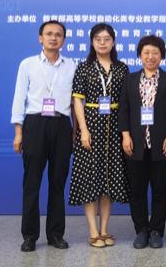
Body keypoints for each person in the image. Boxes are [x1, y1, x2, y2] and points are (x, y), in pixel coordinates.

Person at [11, 20, 76, 252]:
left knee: (58, 183)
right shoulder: (27, 64)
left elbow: (75, 102)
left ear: (63, 40)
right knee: (32, 183)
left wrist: (75, 130)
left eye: (58, 35)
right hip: (35, 124)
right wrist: (18, 131)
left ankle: (56, 234)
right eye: (49, 34)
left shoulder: (72, 65)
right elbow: (19, 97)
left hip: (61, 124)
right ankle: (29, 236)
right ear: (40, 38)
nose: (53, 38)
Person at [69, 23, 130, 248]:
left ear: (113, 42)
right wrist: (83, 130)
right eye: (98, 39)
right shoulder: (84, 67)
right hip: (91, 129)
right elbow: (77, 100)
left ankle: (104, 229)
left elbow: (127, 102)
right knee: (90, 180)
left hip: (114, 129)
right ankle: (93, 232)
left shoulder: (122, 68)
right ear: (92, 42)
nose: (102, 43)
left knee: (109, 181)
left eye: (107, 39)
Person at [118, 35, 166, 249]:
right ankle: (141, 230)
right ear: (140, 55)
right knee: (137, 190)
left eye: (155, 53)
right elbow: (124, 109)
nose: (150, 56)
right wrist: (125, 135)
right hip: (135, 144)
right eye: (146, 53)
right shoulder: (130, 79)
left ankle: (156, 231)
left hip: (162, 143)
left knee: (160, 190)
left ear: (162, 56)